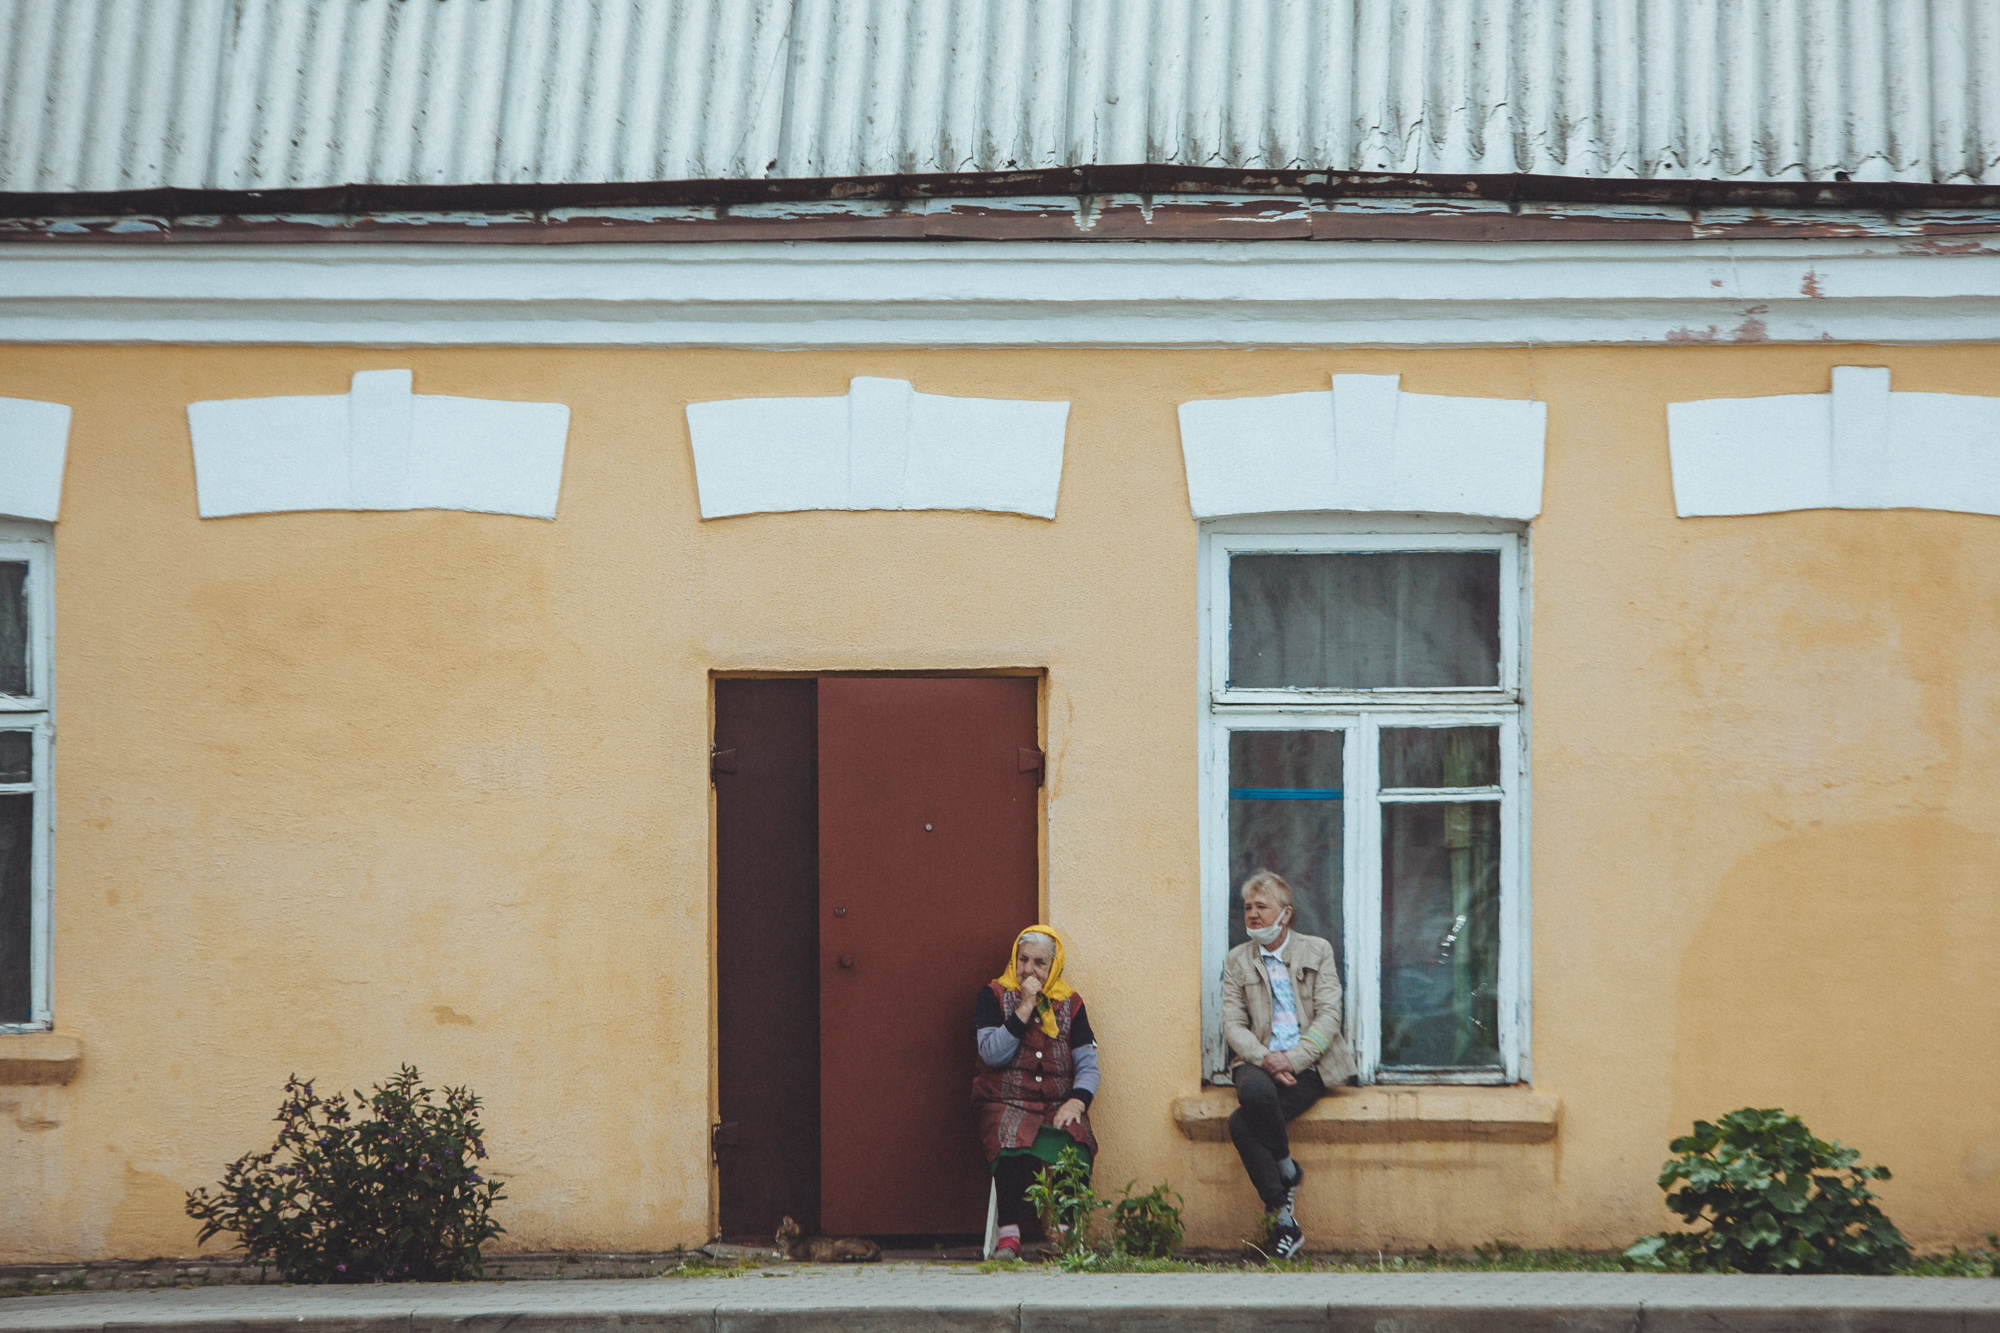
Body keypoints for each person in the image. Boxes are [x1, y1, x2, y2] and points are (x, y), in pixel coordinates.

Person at [1221, 869, 1354, 1259]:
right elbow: (1232, 1024)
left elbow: (1330, 1015)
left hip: (1310, 1065)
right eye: (1247, 907)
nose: (1253, 915)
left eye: (1262, 906)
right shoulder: (1237, 960)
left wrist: (1293, 1059)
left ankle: (1282, 1220)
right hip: (1256, 1061)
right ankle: (1286, 1170)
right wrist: (1266, 1058)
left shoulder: (1317, 950)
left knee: (1240, 1123)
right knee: (1256, 1091)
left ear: (1286, 913)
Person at [972, 924, 1099, 1260]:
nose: (1028, 969)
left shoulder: (1071, 1004)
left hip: (1056, 1104)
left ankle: (1065, 1238)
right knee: (1009, 1135)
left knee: (1077, 1139)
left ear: (1054, 966)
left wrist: (1076, 1100)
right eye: (1023, 959)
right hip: (1004, 1100)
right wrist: (1026, 1006)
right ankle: (1009, 1237)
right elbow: (991, 1053)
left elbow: (1088, 1063)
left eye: (1039, 963)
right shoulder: (994, 995)